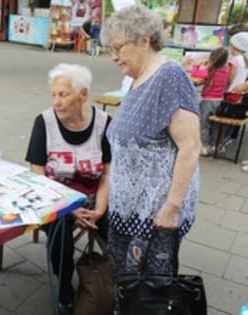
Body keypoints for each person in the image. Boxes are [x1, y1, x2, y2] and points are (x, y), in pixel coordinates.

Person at [103, 4, 200, 310]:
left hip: (155, 213)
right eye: (110, 49)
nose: (114, 56)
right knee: (127, 286)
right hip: (128, 208)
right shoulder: (136, 78)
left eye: (118, 47)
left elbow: (191, 147)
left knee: (151, 294)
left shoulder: (170, 77)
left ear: (144, 40)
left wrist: (172, 207)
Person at [25, 63, 111, 315]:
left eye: (63, 95)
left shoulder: (104, 123)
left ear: (83, 94)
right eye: (53, 95)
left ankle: (111, 283)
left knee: (115, 228)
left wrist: (100, 208)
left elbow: (107, 172)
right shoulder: (44, 122)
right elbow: (38, 176)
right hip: (56, 200)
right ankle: (64, 289)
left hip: (95, 199)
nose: (56, 102)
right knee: (60, 232)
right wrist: (71, 210)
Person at [188, 47, 230, 156]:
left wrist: (198, 64)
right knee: (215, 125)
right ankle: (214, 145)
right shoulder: (226, 70)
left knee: (204, 124)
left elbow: (195, 72)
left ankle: (204, 146)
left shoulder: (209, 71)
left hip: (208, 101)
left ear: (211, 59)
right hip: (220, 101)